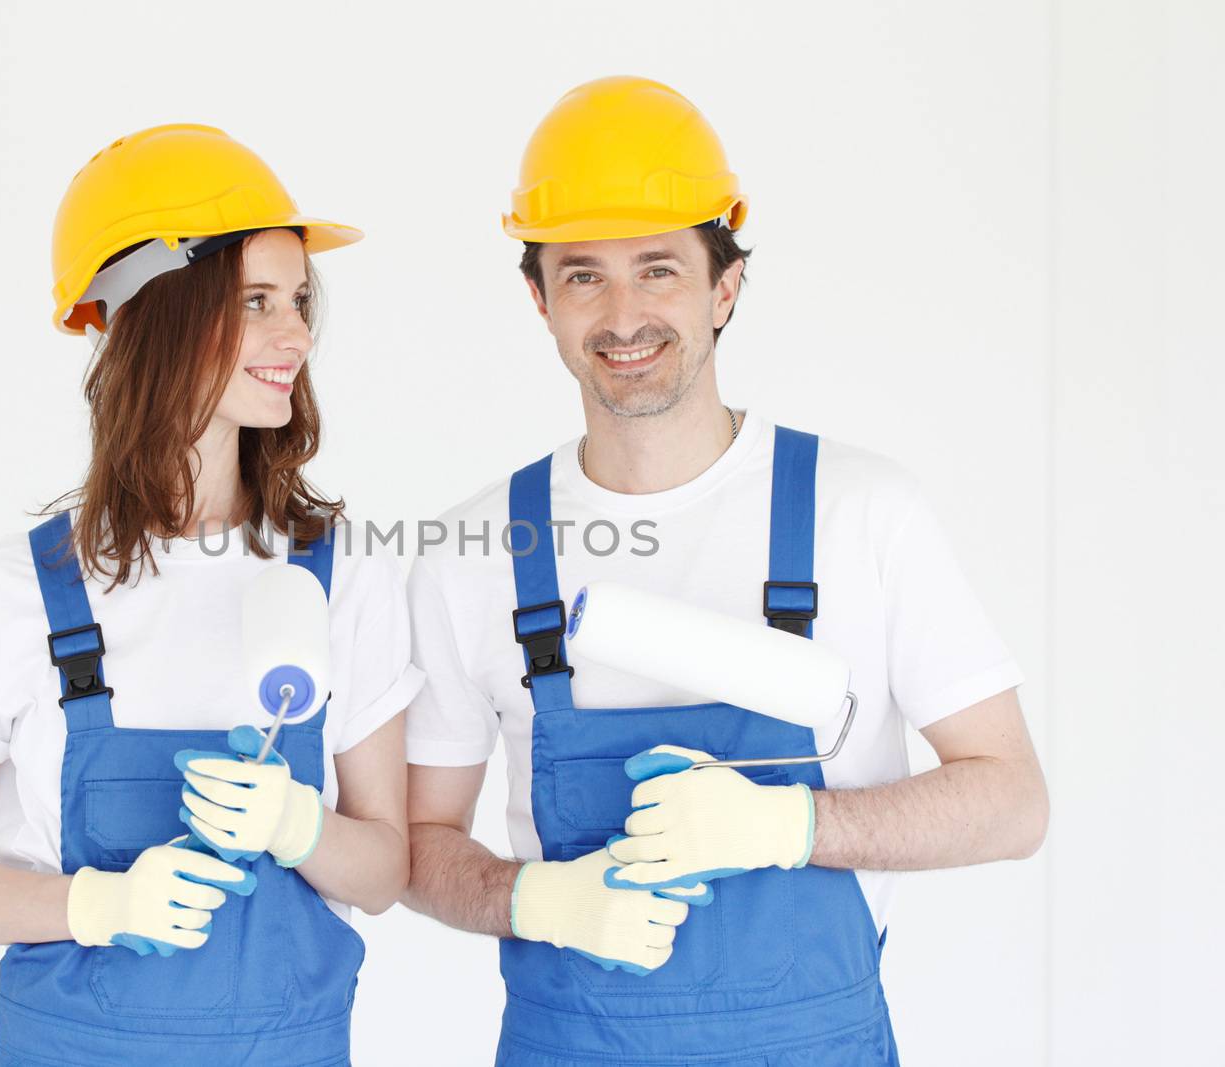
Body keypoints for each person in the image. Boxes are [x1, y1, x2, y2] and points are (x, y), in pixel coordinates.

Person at [402, 76, 1049, 1065]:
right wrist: (536, 897)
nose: (622, 316)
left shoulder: (861, 510)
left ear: (724, 285)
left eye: (658, 269)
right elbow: (419, 842)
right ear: (537, 297)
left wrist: (786, 823)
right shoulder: (471, 550)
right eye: (583, 276)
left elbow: (1011, 800)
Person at [0, 124, 422, 1066]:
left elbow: (385, 871)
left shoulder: (342, 578)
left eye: (299, 300)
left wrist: (299, 826)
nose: (295, 333)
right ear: (156, 309)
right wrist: (94, 904)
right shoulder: (14, 594)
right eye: (257, 301)